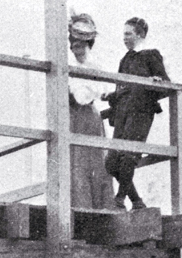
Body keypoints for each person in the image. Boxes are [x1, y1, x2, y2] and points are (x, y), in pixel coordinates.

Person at [102, 17, 170, 210]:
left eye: (128, 33)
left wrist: (156, 80)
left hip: (140, 112)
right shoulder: (125, 58)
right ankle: (137, 201)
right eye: (123, 34)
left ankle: (120, 199)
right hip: (123, 112)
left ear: (139, 35)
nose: (124, 38)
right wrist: (112, 95)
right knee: (111, 162)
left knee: (128, 157)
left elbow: (165, 83)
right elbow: (123, 87)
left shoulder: (151, 55)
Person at [67, 13, 114, 210]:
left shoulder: (94, 66)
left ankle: (100, 207)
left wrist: (83, 90)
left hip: (88, 117)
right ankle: (80, 208)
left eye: (79, 42)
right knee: (76, 165)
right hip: (73, 118)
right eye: (73, 42)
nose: (74, 46)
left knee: (95, 165)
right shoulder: (69, 66)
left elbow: (84, 96)